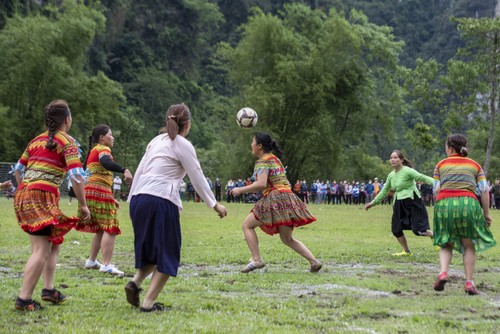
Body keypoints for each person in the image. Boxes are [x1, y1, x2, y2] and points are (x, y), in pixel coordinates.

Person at [125, 103, 227, 312]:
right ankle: (148, 303)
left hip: (139, 198)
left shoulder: (155, 141)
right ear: (187, 125)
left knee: (154, 250)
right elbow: (196, 177)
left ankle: (135, 283)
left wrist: (131, 200)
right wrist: (214, 204)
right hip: (160, 199)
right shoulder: (183, 144)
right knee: (169, 253)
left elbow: (140, 169)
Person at [12, 100, 90, 311]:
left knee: (53, 242)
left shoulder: (35, 141)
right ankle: (24, 299)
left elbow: (18, 169)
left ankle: (49, 290)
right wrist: (83, 206)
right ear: (67, 119)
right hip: (42, 196)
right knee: (40, 249)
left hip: (25, 194)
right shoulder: (68, 142)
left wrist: (24, 190)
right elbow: (76, 176)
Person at [231, 132, 322, 273]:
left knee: (247, 225)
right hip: (288, 197)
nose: (251, 145)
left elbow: (261, 184)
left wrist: (240, 190)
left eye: (252, 142)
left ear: (259, 146)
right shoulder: (275, 159)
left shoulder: (262, 161)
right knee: (287, 238)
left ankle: (256, 259)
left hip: (276, 197)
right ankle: (314, 261)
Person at [432, 134, 496, 295]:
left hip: (445, 203)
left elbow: (436, 189)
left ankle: (443, 273)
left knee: (446, 243)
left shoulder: (440, 165)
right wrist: (486, 214)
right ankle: (469, 282)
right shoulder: (475, 165)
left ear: (450, 148)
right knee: (469, 245)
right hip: (468, 204)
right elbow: (484, 190)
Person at [75, 125, 133, 276]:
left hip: (90, 191)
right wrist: (124, 169)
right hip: (99, 190)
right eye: (110, 135)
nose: (113, 138)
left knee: (101, 228)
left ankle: (92, 261)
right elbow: (106, 162)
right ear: (102, 137)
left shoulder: (93, 151)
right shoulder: (103, 149)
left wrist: (111, 198)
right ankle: (106, 264)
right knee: (110, 227)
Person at [364, 150, 434, 256]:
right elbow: (384, 191)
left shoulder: (407, 171)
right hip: (399, 204)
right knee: (396, 229)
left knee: (418, 230)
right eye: (391, 157)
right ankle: (406, 251)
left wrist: (439, 184)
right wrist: (372, 203)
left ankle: (435, 236)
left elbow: (422, 177)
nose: (393, 159)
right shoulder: (391, 175)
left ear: (401, 160)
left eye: (395, 157)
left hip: (413, 202)